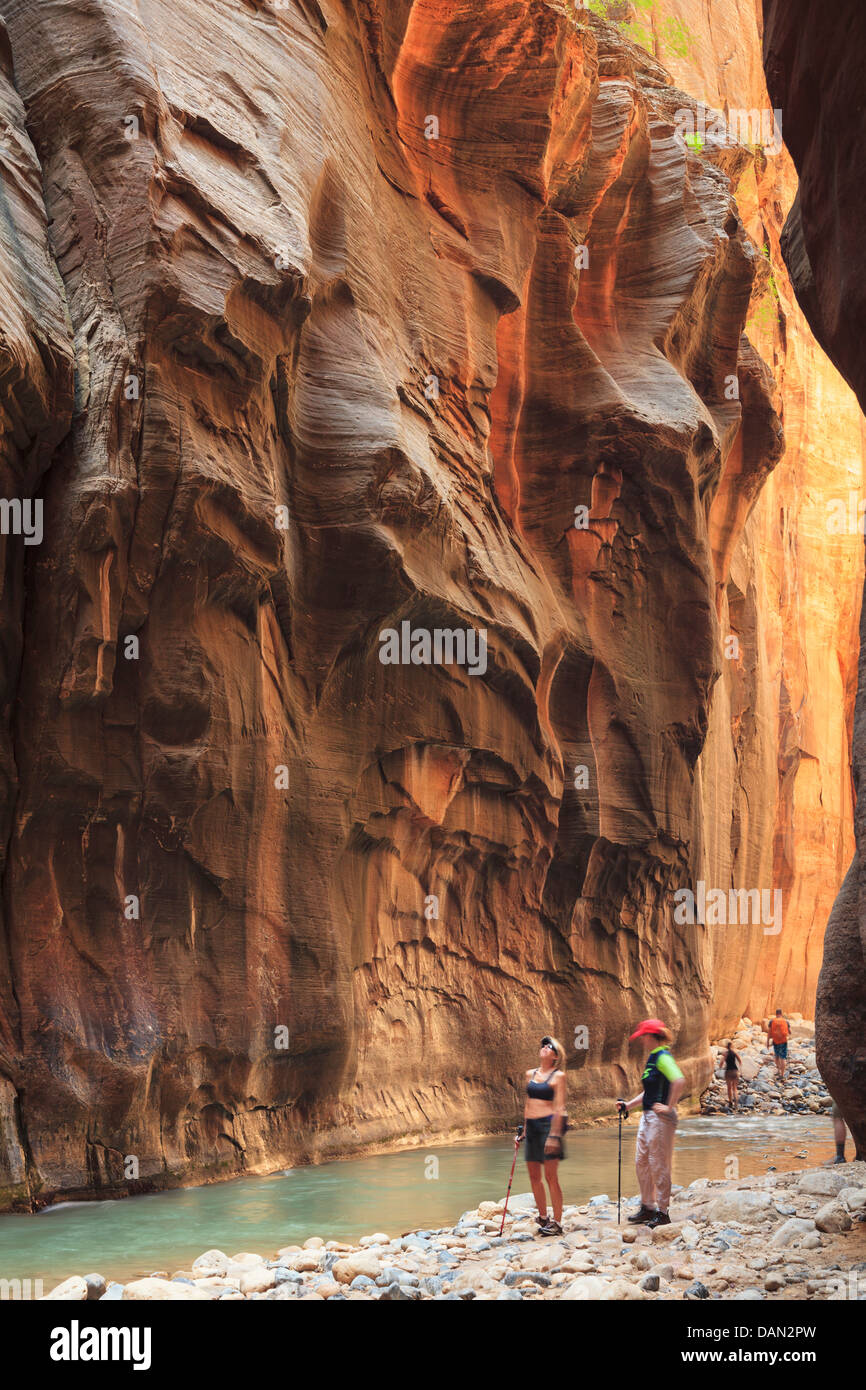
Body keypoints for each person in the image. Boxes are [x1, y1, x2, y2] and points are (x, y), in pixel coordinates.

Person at [616, 1019, 685, 1229]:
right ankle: (648, 1207)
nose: (642, 1040)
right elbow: (649, 1092)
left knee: (658, 1164)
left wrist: (669, 1106)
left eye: (643, 1036)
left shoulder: (663, 1056)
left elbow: (679, 1080)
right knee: (641, 1162)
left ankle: (663, 1212)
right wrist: (628, 1105)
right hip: (648, 1117)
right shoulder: (654, 1058)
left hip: (661, 1119)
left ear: (651, 1036)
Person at [523, 1036, 567, 1236]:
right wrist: (523, 1130)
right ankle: (543, 1217)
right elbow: (528, 1103)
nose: (544, 1048)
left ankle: (557, 1223)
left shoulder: (559, 1076)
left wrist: (555, 1136)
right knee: (534, 1176)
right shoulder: (529, 1074)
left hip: (548, 1126)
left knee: (551, 1177)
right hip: (532, 1127)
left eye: (549, 1047)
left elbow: (559, 1107)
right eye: (543, 1045)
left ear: (555, 1056)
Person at [766, 1009, 790, 1080]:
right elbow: (789, 1032)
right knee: (782, 1058)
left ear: (776, 1014)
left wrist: (767, 1042)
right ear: (781, 1014)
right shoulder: (785, 1021)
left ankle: (779, 1070)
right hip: (783, 1041)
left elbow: (769, 1032)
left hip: (775, 1041)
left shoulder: (772, 1021)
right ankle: (782, 1074)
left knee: (776, 1056)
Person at [721, 1041, 742, 1110]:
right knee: (735, 1088)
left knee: (729, 1088)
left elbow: (721, 1063)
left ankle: (730, 1102)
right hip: (735, 1071)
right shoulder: (734, 1053)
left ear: (727, 1047)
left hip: (728, 1072)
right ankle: (736, 1102)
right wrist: (740, 1069)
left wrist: (720, 1066)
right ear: (732, 1046)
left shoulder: (725, 1054)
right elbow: (740, 1061)